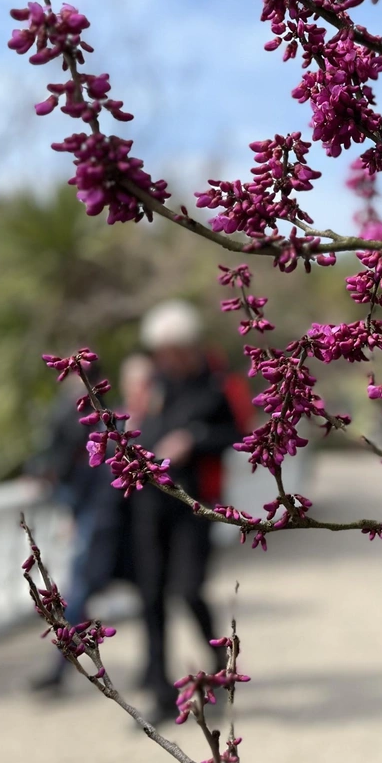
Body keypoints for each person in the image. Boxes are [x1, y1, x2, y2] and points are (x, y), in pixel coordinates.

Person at [133, 300, 239, 722]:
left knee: (189, 588)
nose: (166, 359)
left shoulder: (215, 384)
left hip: (193, 504)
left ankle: (219, 662)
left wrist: (194, 437)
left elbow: (237, 433)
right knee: (151, 595)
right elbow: (139, 426)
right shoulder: (152, 382)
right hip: (149, 503)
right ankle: (160, 692)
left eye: (173, 350)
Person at [30, 357, 145, 692]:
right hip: (101, 521)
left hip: (110, 523)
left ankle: (152, 669)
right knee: (81, 595)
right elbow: (61, 463)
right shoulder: (82, 419)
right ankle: (61, 668)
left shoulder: (108, 423)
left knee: (147, 595)